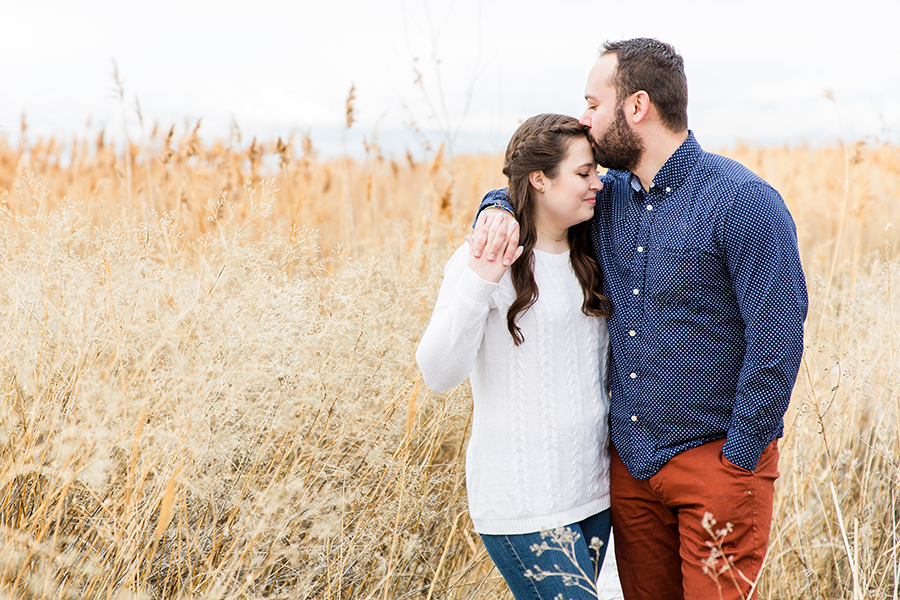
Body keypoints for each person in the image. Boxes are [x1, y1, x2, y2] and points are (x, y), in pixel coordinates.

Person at [472, 38, 808, 600]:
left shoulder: (742, 199)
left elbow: (778, 333)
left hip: (715, 465)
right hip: (630, 474)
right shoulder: (609, 198)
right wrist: (497, 206)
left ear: (636, 107)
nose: (584, 117)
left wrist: (738, 462)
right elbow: (539, 191)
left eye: (593, 103)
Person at [417, 113, 615, 599]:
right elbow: (438, 372)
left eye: (597, 171)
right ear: (539, 179)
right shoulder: (483, 256)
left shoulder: (596, 252)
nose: (598, 183)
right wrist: (479, 280)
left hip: (594, 496)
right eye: (583, 173)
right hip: (524, 500)